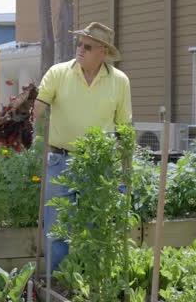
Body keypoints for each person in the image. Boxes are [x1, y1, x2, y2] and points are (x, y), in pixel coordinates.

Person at [33, 21, 132, 274]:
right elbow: (39, 108)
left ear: (103, 52)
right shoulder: (58, 73)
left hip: (99, 164)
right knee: (56, 229)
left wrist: (125, 170)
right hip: (60, 161)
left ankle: (92, 283)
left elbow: (124, 129)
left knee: (96, 227)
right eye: (79, 43)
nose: (80, 49)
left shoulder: (120, 81)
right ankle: (56, 284)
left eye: (88, 46)